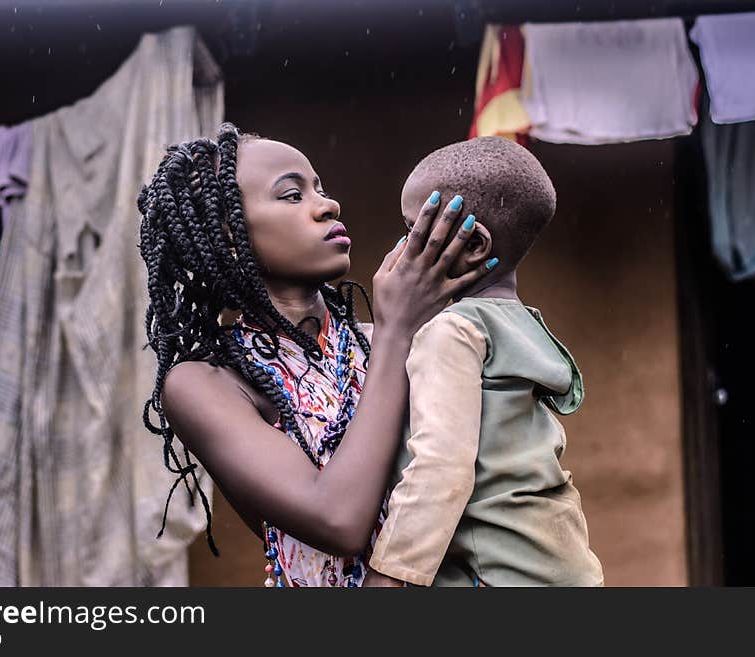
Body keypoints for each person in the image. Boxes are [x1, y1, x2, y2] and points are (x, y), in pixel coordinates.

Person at [136, 123, 496, 587]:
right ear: (229, 235)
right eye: (291, 195)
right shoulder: (205, 384)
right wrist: (397, 331)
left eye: (319, 188)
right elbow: (338, 520)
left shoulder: (392, 341)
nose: (328, 205)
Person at [365, 136, 604, 587]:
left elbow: (441, 468)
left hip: (496, 576)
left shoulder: (451, 332)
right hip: (560, 565)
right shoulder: (523, 326)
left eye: (412, 230)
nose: (402, 247)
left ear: (473, 245)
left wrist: (390, 576)